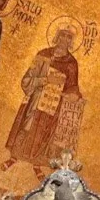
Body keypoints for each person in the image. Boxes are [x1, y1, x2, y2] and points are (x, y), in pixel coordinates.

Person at [5, 26, 83, 169]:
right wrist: (46, 80)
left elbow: (73, 86)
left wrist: (74, 95)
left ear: (71, 42)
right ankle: (14, 157)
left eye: (69, 37)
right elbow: (27, 79)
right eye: (63, 35)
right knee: (26, 126)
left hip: (53, 105)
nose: (64, 39)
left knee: (44, 132)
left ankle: (37, 165)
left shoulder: (72, 63)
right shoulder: (43, 54)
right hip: (35, 99)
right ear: (57, 36)